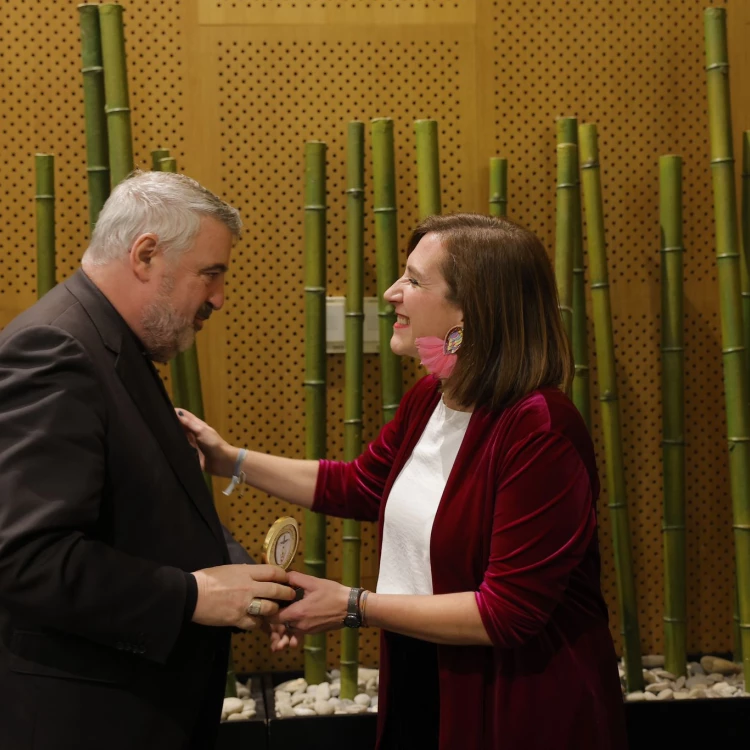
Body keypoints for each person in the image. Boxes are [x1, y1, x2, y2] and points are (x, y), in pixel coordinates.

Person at [179, 213, 628, 750]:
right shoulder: (432, 397)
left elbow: (507, 613)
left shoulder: (540, 429)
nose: (392, 293)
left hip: (517, 703)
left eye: (414, 281)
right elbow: (361, 485)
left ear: (472, 311)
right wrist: (229, 460)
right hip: (424, 670)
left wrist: (352, 606)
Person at [0, 170, 295, 750]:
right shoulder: (58, 349)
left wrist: (245, 580)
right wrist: (191, 597)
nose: (219, 298)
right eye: (211, 274)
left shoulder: (112, 340)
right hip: (87, 717)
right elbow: (24, 557)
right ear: (146, 254)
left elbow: (148, 509)